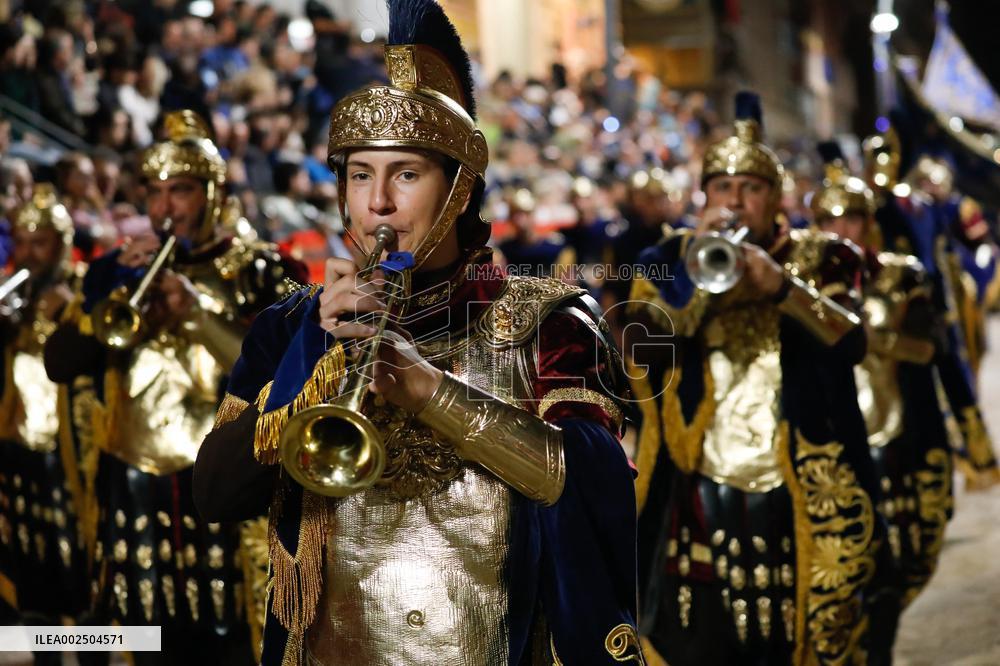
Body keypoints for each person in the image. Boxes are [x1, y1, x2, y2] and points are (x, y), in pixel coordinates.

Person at [193, 1, 643, 664]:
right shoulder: (291, 326)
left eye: (406, 174)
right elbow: (213, 493)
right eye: (359, 175)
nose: (377, 203)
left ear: (460, 191)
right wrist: (316, 359)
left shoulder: (551, 321)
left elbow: (600, 490)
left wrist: (433, 392)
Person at [44, 110, 306, 665]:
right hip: (134, 478)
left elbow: (284, 379)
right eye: (155, 193)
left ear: (212, 194)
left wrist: (193, 314)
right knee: (146, 637)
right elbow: (61, 364)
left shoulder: (263, 270)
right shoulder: (114, 269)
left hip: (223, 485)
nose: (165, 208)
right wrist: (105, 297)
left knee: (234, 638)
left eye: (180, 191)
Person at [629, 92, 878, 666]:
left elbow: (854, 343)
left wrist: (785, 291)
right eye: (722, 188)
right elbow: (638, 350)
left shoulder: (824, 256)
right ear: (704, 196)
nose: (736, 201)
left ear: (776, 199)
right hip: (698, 485)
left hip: (804, 481)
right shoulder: (666, 257)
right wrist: (693, 271)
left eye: (752, 188)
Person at [812, 142, 952, 666]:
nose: (840, 231)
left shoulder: (902, 276)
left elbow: (932, 349)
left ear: (868, 224)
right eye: (829, 221)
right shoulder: (803, 282)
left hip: (894, 437)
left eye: (850, 220)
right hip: (829, 445)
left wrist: (869, 338)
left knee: (895, 569)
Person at [866, 130, 1000, 490]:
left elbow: (965, 249)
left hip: (936, 307)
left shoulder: (930, 208)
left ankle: (968, 457)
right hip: (890, 316)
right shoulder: (878, 208)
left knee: (953, 377)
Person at [0, 185, 88, 653]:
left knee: (79, 562)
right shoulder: (13, 298)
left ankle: (98, 647)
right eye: (21, 243)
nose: (29, 254)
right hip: (17, 441)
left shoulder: (82, 288)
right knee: (31, 564)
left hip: (71, 447)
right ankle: (44, 647)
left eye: (40, 243)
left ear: (62, 243)